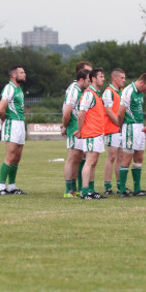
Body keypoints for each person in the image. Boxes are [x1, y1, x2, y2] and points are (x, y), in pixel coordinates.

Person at [76, 68, 113, 199]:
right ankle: (84, 191)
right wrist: (80, 131)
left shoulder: (96, 94)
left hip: (97, 132)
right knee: (89, 161)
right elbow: (81, 114)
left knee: (93, 161)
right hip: (91, 132)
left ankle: (90, 190)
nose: (103, 79)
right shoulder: (89, 94)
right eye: (101, 76)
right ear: (93, 79)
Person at [117, 72, 146, 197]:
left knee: (139, 157)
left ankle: (137, 189)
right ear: (142, 82)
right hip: (129, 127)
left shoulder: (139, 93)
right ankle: (122, 189)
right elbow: (120, 113)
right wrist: (121, 127)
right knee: (127, 158)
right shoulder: (128, 91)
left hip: (139, 127)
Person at [0, 65, 28, 195]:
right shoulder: (9, 88)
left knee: (17, 157)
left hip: (20, 123)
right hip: (12, 123)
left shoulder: (18, 89)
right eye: (22, 72)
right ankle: (1, 187)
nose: (24, 74)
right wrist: (4, 118)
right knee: (10, 155)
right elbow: (0, 109)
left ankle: (12, 187)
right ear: (14, 75)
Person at [61, 68, 91, 198]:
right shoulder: (74, 90)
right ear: (81, 80)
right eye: (88, 81)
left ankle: (74, 188)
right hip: (73, 127)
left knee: (78, 158)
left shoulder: (80, 91)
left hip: (80, 128)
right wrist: (66, 127)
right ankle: (68, 190)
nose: (90, 83)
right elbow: (67, 112)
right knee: (72, 158)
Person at [102, 68, 126, 195]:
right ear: (115, 78)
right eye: (122, 78)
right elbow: (108, 110)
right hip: (112, 129)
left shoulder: (121, 92)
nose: (124, 80)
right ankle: (107, 185)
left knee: (121, 157)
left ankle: (120, 185)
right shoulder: (108, 92)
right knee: (111, 157)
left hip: (121, 129)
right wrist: (118, 123)